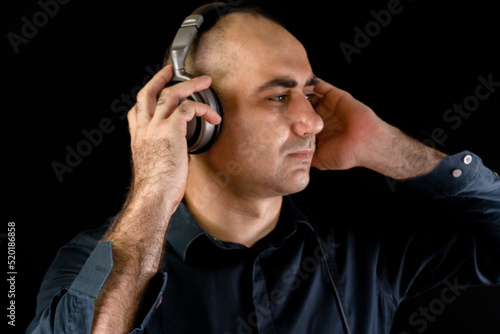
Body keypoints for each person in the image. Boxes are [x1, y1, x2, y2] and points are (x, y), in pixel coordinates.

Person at [27, 3, 500, 334]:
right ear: (198, 114)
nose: (312, 120)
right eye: (277, 96)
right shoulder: (92, 259)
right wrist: (153, 186)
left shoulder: (363, 249)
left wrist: (390, 148)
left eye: (309, 95)